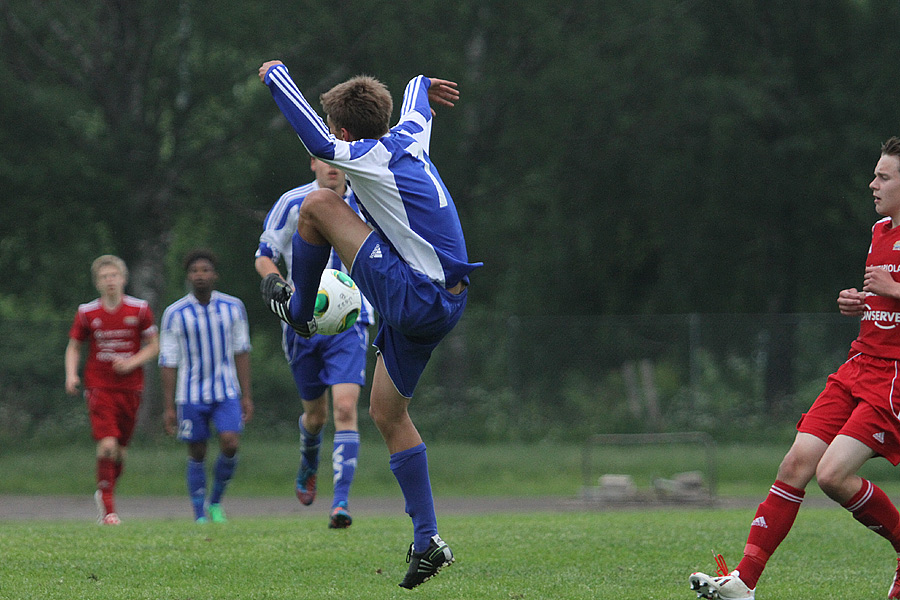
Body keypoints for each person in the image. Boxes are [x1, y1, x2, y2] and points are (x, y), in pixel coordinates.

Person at [258, 60, 481, 588]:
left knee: (316, 204)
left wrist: (276, 76)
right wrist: (422, 82)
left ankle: (301, 313)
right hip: (445, 299)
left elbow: (314, 136)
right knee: (385, 412)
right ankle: (427, 540)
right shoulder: (409, 134)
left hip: (418, 296)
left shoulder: (367, 154)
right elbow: (416, 100)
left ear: (344, 132)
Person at [689, 136, 900, 600]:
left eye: (883, 176)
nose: (872, 184)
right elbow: (885, 301)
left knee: (832, 476)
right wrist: (858, 303)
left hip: (893, 377)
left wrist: (894, 288)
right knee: (796, 463)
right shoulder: (880, 231)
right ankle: (743, 581)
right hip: (859, 362)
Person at [255, 157, 375, 529]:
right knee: (316, 415)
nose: (333, 168)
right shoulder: (294, 203)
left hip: (350, 320)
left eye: (339, 161)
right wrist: (276, 283)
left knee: (344, 408)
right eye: (326, 160)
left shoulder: (368, 204)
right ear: (312, 163)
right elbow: (264, 257)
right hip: (301, 322)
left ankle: (340, 502)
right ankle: (309, 456)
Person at [159, 249, 253, 523]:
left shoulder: (233, 307)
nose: (200, 275)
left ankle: (215, 502)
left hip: (226, 391)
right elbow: (168, 360)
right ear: (188, 277)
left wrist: (247, 395)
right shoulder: (175, 313)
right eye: (194, 271)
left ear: (215, 275)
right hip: (190, 393)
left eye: (205, 270)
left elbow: (242, 350)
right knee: (197, 449)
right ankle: (199, 512)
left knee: (230, 442)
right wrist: (169, 407)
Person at [64, 254, 159, 525]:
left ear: (123, 279)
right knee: (106, 446)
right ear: (97, 282)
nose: (110, 281)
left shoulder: (139, 310)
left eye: (114, 276)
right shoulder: (87, 312)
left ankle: (104, 490)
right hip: (99, 386)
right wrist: (71, 375)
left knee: (120, 452)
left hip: (130, 389)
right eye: (104, 277)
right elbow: (74, 345)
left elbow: (153, 345)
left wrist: (131, 363)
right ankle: (108, 511)